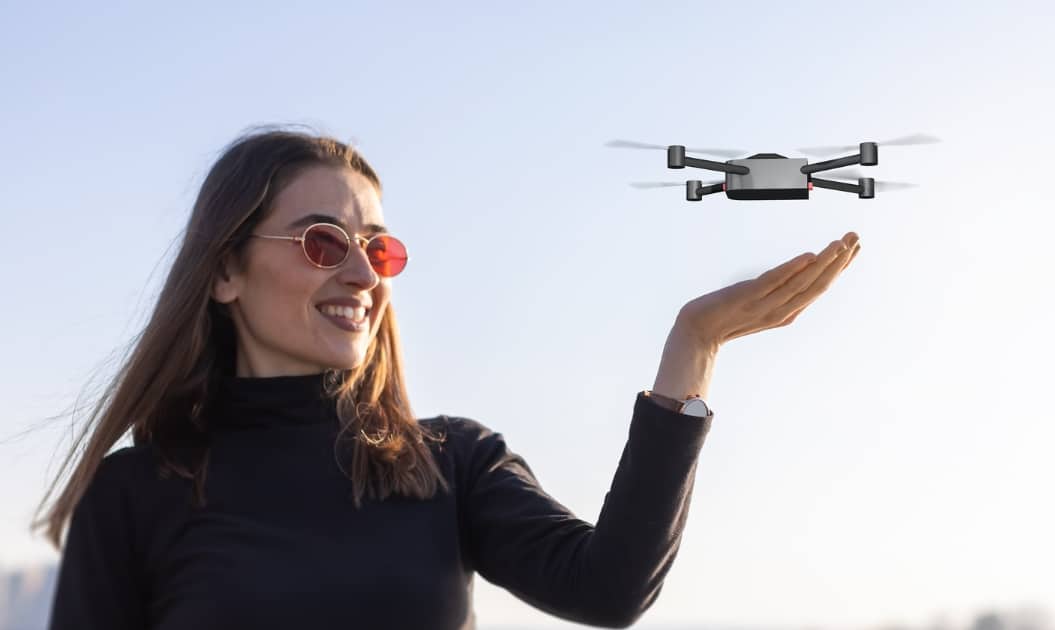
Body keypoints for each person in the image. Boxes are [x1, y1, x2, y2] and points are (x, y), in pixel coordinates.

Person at [32, 126, 860, 629]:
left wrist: (693, 349)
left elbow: (610, 590)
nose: (363, 274)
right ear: (225, 274)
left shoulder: (451, 465)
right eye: (324, 241)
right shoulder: (136, 494)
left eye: (379, 248)